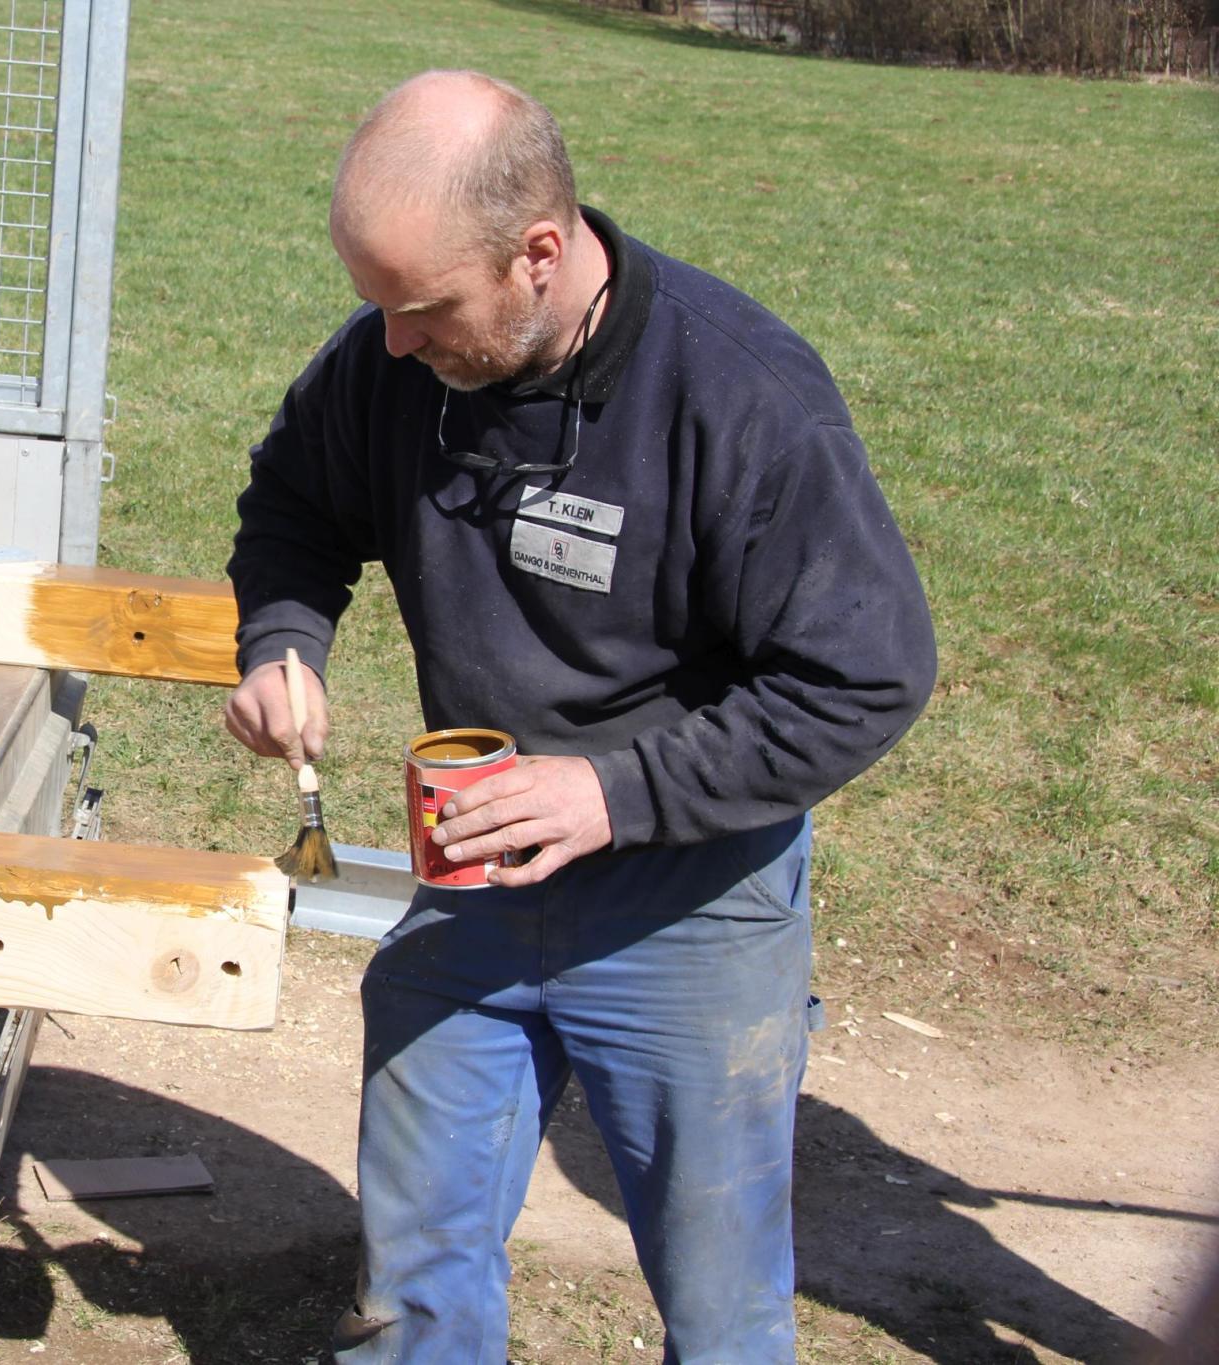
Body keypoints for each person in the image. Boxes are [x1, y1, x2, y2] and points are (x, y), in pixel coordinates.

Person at [223, 70, 938, 1362]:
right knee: (412, 1273)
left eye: (423, 308)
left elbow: (865, 676)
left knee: (722, 1313)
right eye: (376, 306)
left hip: (690, 900)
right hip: (476, 878)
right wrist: (284, 639)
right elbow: (295, 505)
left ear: (539, 254)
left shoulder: (743, 398)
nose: (392, 343)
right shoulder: (394, 358)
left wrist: (612, 792)